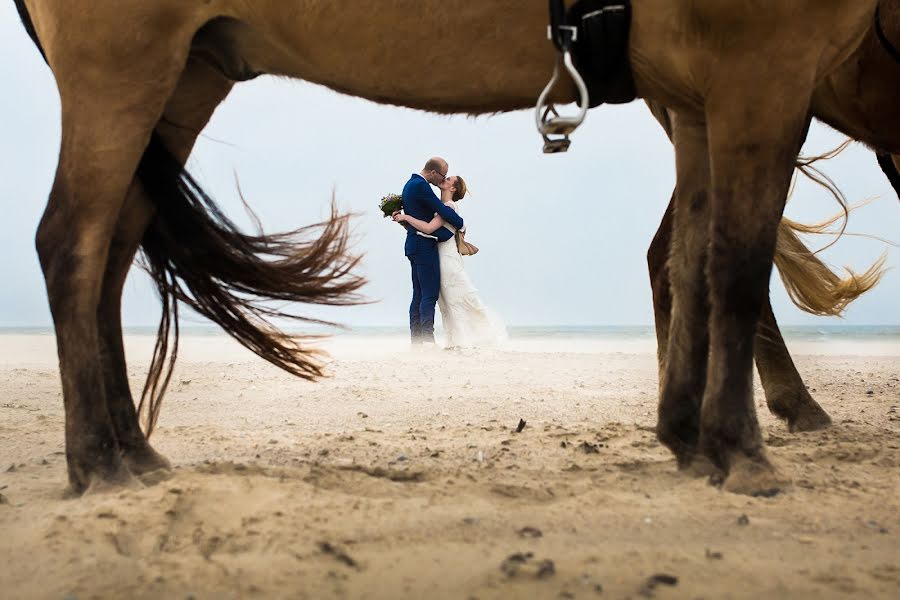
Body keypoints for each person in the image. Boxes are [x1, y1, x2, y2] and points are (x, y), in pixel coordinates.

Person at [394, 175, 507, 348]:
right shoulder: (439, 207)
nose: (444, 179)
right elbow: (425, 227)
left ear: (452, 188)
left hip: (446, 257)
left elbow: (429, 228)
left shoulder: (448, 207)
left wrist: (406, 218)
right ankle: (454, 340)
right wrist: (402, 218)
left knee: (454, 296)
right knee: (446, 300)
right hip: (436, 254)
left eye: (448, 179)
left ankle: (469, 338)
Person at [399, 158, 464, 345]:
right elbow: (442, 211)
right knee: (428, 295)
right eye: (443, 176)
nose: (443, 180)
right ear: (434, 173)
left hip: (413, 244)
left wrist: (402, 217)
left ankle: (416, 341)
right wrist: (461, 223)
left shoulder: (410, 184)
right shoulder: (421, 186)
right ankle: (427, 340)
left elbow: (418, 214)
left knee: (418, 294)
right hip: (423, 246)